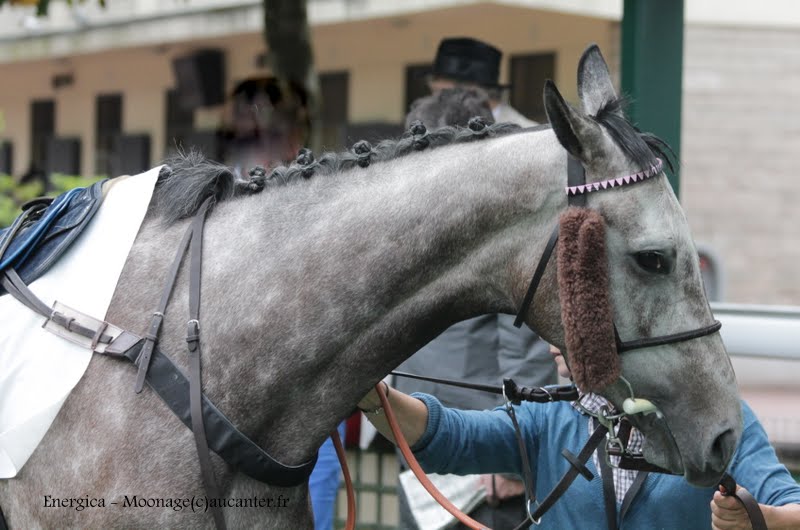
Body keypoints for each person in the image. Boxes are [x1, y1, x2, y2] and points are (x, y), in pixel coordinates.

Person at [360, 346, 800, 529]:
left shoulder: (716, 416)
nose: (549, 342)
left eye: (567, 324)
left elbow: (792, 508)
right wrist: (370, 395)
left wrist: (758, 517)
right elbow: (453, 437)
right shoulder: (546, 418)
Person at [391, 87, 558, 530]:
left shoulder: (503, 223)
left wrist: (515, 461)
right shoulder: (411, 225)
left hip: (486, 465)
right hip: (419, 448)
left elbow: (524, 340)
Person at [425, 36, 537, 128]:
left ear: (471, 91)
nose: (435, 100)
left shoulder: (525, 134)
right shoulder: (443, 128)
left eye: (441, 93)